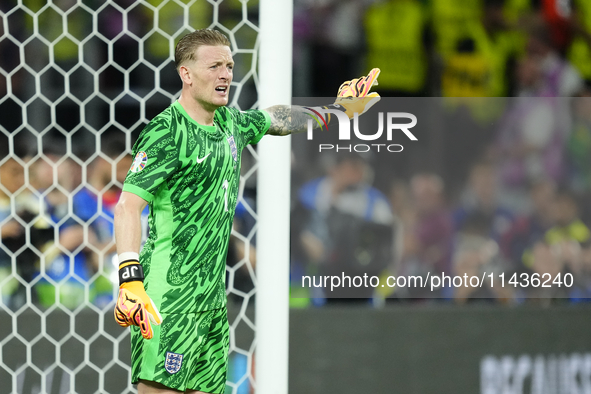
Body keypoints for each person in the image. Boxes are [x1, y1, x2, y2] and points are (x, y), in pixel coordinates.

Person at [112, 28, 380, 394]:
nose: (225, 75)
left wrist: (334, 111)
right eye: (214, 66)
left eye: (229, 66)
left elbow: (277, 119)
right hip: (168, 298)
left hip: (211, 301)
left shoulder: (231, 124)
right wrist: (129, 277)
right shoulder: (166, 133)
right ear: (185, 74)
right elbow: (127, 206)